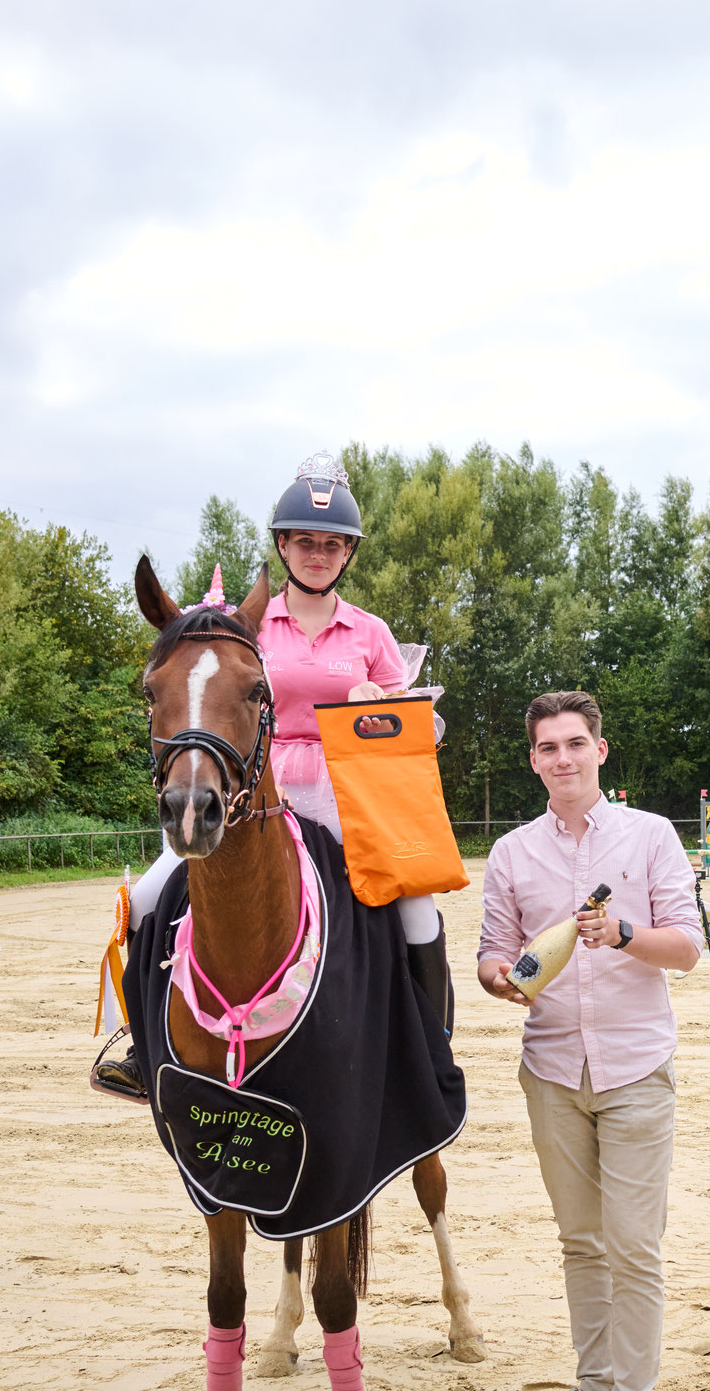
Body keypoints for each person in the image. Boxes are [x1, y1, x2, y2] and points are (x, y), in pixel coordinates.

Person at [92, 454, 452, 1099]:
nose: (319, 553)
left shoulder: (371, 632)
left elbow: (416, 729)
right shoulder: (244, 626)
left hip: (349, 793)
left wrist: (384, 707)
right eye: (306, 541)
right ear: (283, 546)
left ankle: (428, 1045)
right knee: (146, 899)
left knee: (416, 906)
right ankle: (142, 1048)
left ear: (348, 554)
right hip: (257, 789)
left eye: (333, 544)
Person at [477, 692, 703, 1391]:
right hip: (550, 1071)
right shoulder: (511, 854)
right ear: (533, 760)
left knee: (635, 1247)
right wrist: (498, 978)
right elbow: (492, 953)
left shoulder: (651, 837)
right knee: (581, 1242)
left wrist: (626, 934)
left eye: (576, 744)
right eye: (548, 748)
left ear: (600, 752)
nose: (563, 759)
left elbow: (690, 950)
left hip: (637, 1067)